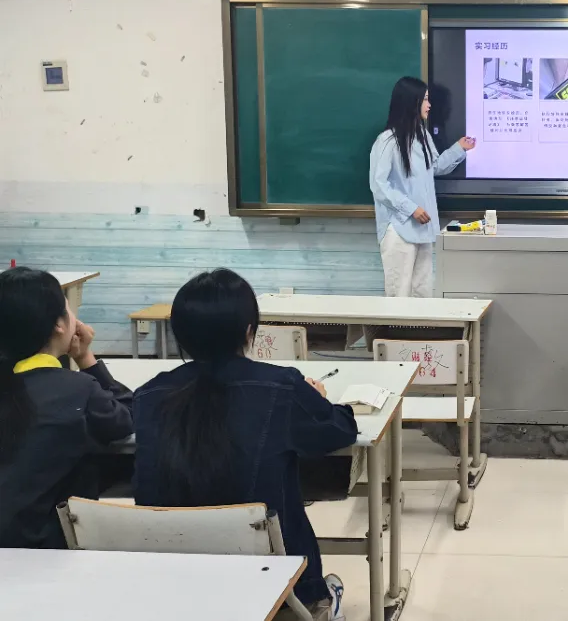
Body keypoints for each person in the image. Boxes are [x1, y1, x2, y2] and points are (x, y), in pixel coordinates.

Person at [133, 270, 358, 619]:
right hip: (273, 578)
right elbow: (340, 430)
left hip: (176, 579)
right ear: (249, 331)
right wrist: (318, 399)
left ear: (181, 335)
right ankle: (318, 602)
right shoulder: (281, 386)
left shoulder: (148, 396)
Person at [0, 267, 133, 548]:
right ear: (59, 325)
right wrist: (86, 358)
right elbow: (126, 419)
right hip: (47, 549)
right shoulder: (77, 390)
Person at [369, 75, 475, 297]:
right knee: (399, 294)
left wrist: (459, 148)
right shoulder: (387, 141)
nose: (429, 105)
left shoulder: (422, 136)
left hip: (423, 228)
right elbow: (379, 185)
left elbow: (434, 167)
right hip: (399, 228)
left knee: (423, 293)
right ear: (411, 102)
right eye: (425, 99)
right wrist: (411, 208)